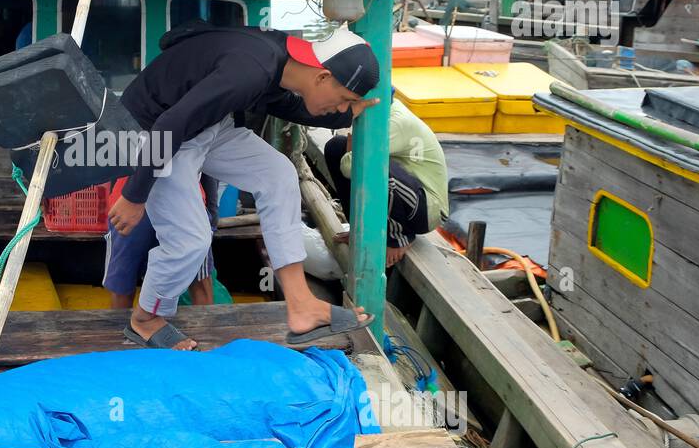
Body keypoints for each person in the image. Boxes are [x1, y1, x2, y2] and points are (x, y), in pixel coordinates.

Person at [108, 21, 380, 351]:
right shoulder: (250, 68)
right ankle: (146, 319)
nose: (340, 107)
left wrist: (344, 117)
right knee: (192, 240)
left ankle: (301, 306)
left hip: (206, 127)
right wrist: (134, 195)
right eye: (343, 99)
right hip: (154, 133)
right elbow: (171, 124)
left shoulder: (281, 62)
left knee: (279, 174)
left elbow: (282, 104)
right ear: (322, 77)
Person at [323, 97, 449, 268]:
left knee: (375, 165)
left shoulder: (395, 123)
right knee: (335, 147)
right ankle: (360, 228)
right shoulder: (378, 114)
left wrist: (352, 154)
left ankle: (400, 237)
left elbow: (351, 167)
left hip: (426, 211)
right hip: (408, 195)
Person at [104, 175, 217, 310]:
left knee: (122, 287)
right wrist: (211, 215)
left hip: (139, 201)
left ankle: (203, 329)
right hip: (178, 203)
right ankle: (123, 328)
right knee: (200, 283)